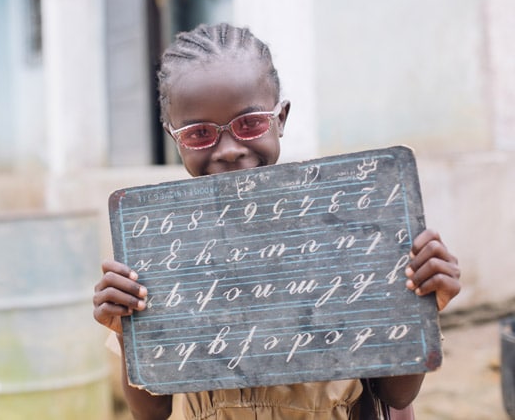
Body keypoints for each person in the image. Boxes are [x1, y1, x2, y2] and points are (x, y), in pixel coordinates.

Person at [93, 22, 461, 420]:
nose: (230, 150)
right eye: (200, 133)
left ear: (280, 118)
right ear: (174, 137)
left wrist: (417, 306)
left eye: (249, 123)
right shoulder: (160, 250)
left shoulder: (353, 227)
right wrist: (130, 333)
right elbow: (152, 413)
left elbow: (397, 393)